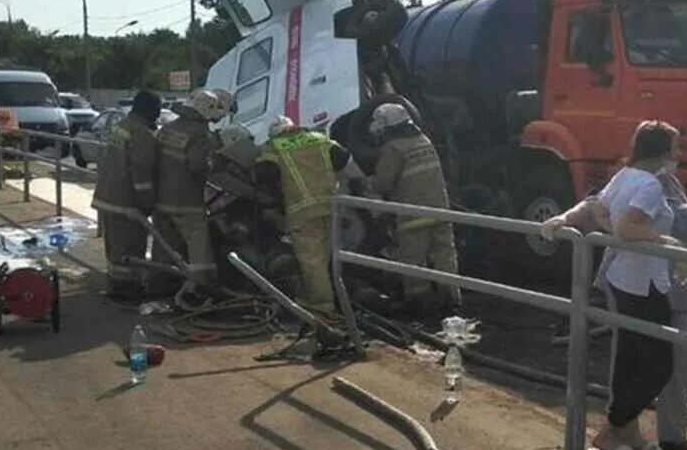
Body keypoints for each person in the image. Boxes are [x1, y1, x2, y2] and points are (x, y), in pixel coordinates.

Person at [541, 120, 683, 450]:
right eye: (676, 148)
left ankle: (629, 434)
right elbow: (626, 226)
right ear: (663, 152)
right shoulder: (650, 184)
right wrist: (665, 241)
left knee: (631, 359)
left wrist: (565, 219)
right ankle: (612, 429)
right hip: (642, 282)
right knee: (659, 363)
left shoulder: (624, 176)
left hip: (625, 279)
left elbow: (600, 210)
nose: (679, 154)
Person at [254, 115, 366, 333]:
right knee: (333, 256)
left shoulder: (273, 148)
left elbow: (265, 177)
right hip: (333, 207)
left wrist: (272, 209)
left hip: (302, 211)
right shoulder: (319, 139)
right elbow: (348, 164)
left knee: (312, 261)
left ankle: (323, 310)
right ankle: (343, 299)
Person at [368, 102, 461, 314]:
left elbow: (382, 184)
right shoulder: (424, 140)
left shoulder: (394, 148)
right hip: (440, 209)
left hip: (413, 213)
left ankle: (419, 302)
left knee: (413, 258)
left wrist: (370, 179)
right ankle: (451, 298)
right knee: (445, 252)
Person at [152, 88, 231, 293]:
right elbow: (197, 166)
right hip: (186, 201)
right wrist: (214, 164)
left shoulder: (168, 128)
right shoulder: (199, 133)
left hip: (161, 199)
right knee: (199, 245)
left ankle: (159, 284)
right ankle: (200, 287)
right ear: (206, 110)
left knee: (164, 244)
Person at [90, 90, 161, 301]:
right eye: (156, 111)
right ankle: (127, 289)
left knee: (114, 248)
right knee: (130, 248)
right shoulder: (141, 134)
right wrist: (147, 203)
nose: (158, 116)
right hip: (127, 203)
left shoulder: (121, 127)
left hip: (107, 197)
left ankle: (115, 285)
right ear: (148, 110)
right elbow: (142, 175)